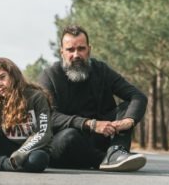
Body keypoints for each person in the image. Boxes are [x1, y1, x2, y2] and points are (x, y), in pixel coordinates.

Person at [39, 24, 148, 172]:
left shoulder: (101, 70)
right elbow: (48, 116)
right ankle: (105, 159)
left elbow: (137, 96)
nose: (76, 55)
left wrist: (128, 121)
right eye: (70, 50)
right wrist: (90, 124)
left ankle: (117, 151)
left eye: (81, 49)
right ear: (62, 52)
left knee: (126, 108)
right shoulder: (49, 76)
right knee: (69, 137)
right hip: (66, 144)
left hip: (100, 139)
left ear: (89, 50)